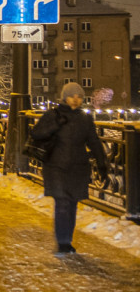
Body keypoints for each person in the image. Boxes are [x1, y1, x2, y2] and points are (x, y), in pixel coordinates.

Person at [29, 82, 110, 255]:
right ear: (65, 97)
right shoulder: (53, 114)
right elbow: (36, 133)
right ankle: (63, 242)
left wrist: (102, 163)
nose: (76, 99)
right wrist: (54, 125)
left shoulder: (85, 118)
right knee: (63, 203)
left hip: (78, 166)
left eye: (79, 96)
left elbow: (93, 141)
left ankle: (67, 239)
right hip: (56, 166)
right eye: (72, 96)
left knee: (72, 203)